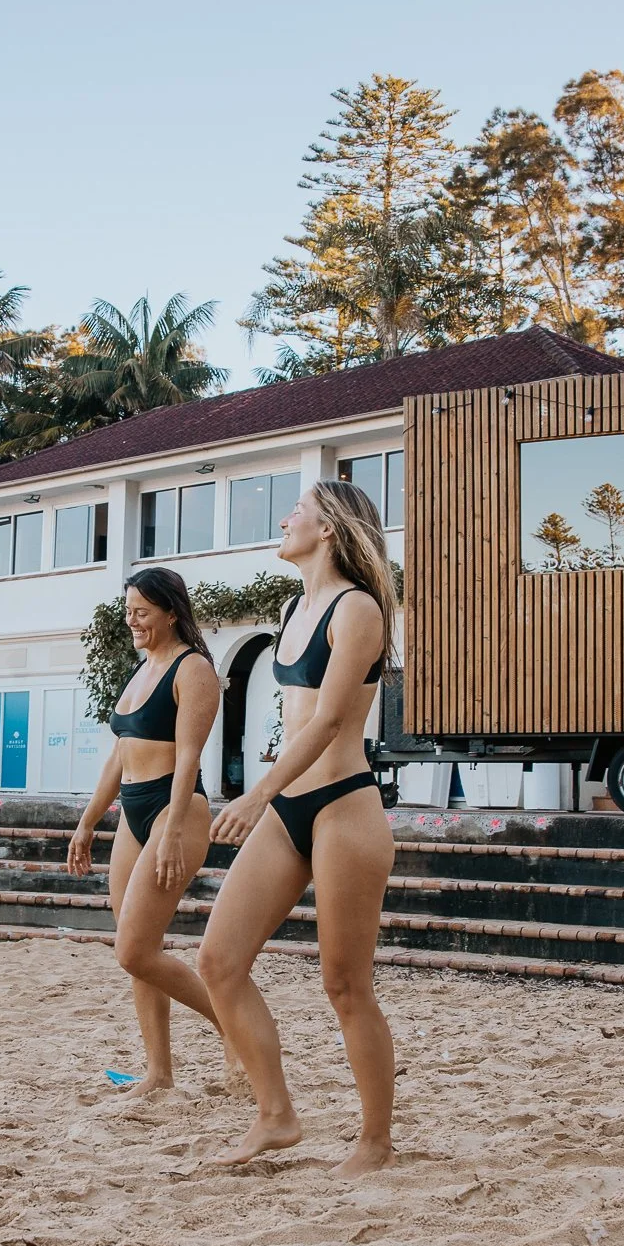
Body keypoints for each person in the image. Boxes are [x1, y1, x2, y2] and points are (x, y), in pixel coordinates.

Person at [199, 480, 397, 1178]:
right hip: (290, 810)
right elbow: (292, 713)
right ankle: (276, 1112)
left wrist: (257, 792)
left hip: (344, 805)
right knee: (219, 961)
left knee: (345, 985)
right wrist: (269, 794)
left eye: (296, 511)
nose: (284, 520)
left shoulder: (359, 609)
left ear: (330, 529)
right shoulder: (294, 607)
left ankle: (375, 1141)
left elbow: (330, 721)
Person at [65, 567, 227, 1097]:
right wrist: (89, 821)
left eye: (141, 612)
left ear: (171, 612)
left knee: (133, 950)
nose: (131, 620)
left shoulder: (193, 668)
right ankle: (159, 1073)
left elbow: (188, 757)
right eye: (128, 610)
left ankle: (238, 1030)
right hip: (134, 810)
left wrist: (176, 824)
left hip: (173, 808)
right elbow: (119, 755)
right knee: (140, 947)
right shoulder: (142, 669)